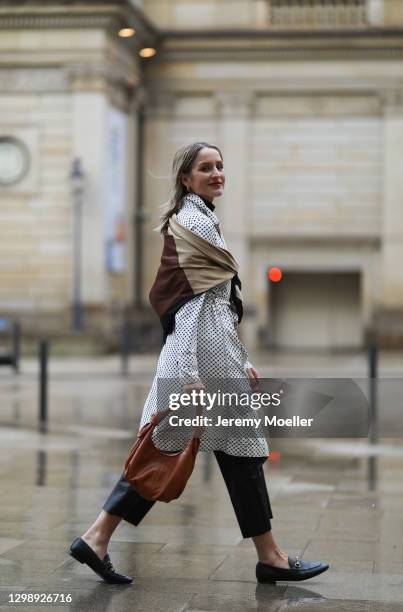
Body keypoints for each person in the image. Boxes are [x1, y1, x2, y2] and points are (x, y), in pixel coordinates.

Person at [68, 142, 329, 585]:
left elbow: (218, 303)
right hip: (199, 363)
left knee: (213, 452)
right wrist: (189, 374)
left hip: (216, 359)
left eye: (220, 166)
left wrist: (241, 360)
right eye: (206, 168)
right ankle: (269, 557)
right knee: (177, 451)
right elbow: (188, 305)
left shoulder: (204, 218)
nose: (217, 173)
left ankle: (269, 555)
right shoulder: (194, 221)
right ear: (185, 178)